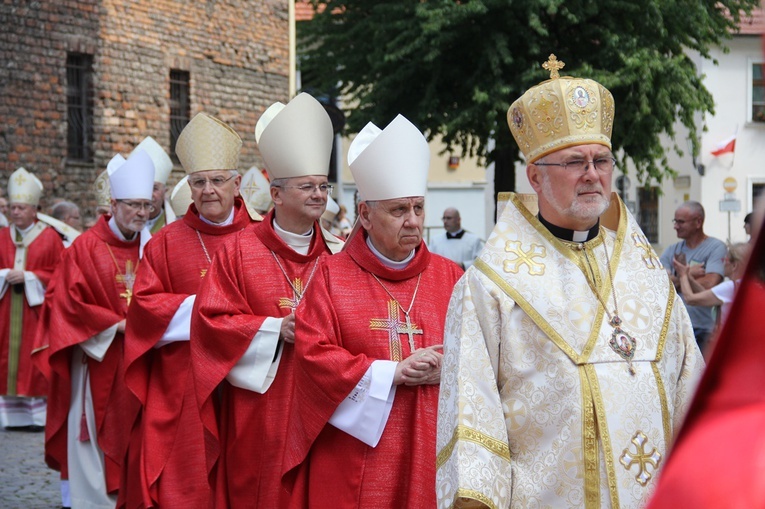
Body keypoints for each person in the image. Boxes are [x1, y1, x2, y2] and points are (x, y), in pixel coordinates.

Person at [436, 55, 704, 508]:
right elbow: (472, 414)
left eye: (601, 160)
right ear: (535, 177)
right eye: (575, 162)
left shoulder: (649, 277)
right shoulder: (490, 287)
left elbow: (690, 387)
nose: (592, 174)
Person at [281, 114, 464, 508]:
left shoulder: (450, 276)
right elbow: (312, 356)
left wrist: (447, 365)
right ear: (365, 215)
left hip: (435, 440)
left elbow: (481, 349)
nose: (413, 220)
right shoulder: (331, 277)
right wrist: (390, 373)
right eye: (399, 210)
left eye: (418, 207)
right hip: (359, 456)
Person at [191, 93, 343, 508]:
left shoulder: (339, 253)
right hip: (261, 406)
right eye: (307, 187)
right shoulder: (238, 252)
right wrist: (277, 329)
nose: (318, 195)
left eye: (323, 186)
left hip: (326, 402)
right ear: (275, 194)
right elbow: (209, 323)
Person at [121, 113, 259, 509]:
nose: (208, 190)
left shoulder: (261, 237)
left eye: (217, 180)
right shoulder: (165, 242)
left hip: (247, 379)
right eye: (199, 182)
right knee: (189, 481)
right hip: (184, 383)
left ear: (236, 184)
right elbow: (144, 308)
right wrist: (207, 312)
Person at [35, 150, 155, 509]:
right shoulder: (85, 248)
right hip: (97, 360)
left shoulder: (153, 247)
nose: (140, 213)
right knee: (92, 439)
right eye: (133, 205)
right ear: (114, 204)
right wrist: (114, 324)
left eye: (146, 206)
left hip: (141, 360)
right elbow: (66, 305)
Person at [645, 207, 765, 509]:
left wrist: (683, 275)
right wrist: (689, 277)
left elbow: (698, 294)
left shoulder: (734, 285)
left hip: (712, 340)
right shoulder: (737, 286)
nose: (725, 264)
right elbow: (669, 281)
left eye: (729, 262)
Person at [0, 168, 64, 430]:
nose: (15, 212)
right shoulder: (2, 236)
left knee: (33, 361)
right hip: (5, 311)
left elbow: (60, 275)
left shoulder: (50, 238)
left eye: (21, 208)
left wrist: (29, 277)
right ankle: (10, 418)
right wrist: (5, 275)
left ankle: (37, 418)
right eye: (13, 208)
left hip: (35, 313)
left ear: (34, 209)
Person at [660, 201, 727, 351]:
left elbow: (710, 285)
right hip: (677, 328)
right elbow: (660, 283)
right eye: (675, 221)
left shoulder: (716, 247)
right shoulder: (672, 250)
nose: (675, 226)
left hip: (705, 329)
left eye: (681, 222)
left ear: (698, 222)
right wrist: (690, 274)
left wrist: (679, 276)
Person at [673, 242, 749, 333]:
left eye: (725, 259)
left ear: (734, 265)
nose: (722, 263)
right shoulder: (746, 285)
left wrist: (682, 275)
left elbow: (690, 299)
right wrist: (689, 277)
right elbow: (706, 294)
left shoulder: (730, 287)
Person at [130, 136, 176, 233]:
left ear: (164, 191)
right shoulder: (125, 226)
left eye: (154, 188)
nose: (148, 194)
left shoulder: (175, 225)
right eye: (143, 187)